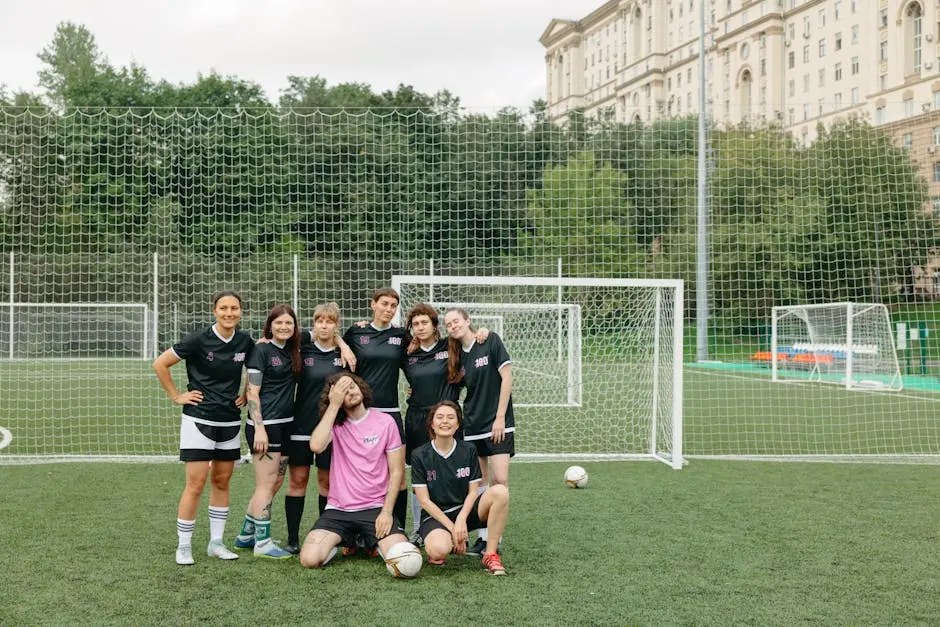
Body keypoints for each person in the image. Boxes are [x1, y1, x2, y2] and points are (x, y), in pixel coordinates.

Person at [152, 290, 254, 565]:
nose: (229, 313)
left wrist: (245, 390)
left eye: (234, 308)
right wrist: (176, 396)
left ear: (240, 312)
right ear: (214, 311)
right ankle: (184, 546)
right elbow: (160, 363)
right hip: (199, 419)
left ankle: (216, 543)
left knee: (221, 481)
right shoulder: (199, 339)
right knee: (195, 484)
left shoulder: (245, 341)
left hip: (230, 420)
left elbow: (257, 366)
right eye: (224, 308)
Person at [298, 373, 409, 570]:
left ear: (361, 387)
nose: (350, 392)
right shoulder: (335, 424)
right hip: (338, 511)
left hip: (375, 508)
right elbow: (316, 445)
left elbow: (397, 471)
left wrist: (387, 512)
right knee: (309, 560)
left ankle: (369, 541)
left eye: (351, 385)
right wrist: (334, 405)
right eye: (342, 390)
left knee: (405, 560)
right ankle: (346, 541)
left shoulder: (386, 422)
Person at [443, 307, 514, 556]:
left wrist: (500, 417)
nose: (453, 326)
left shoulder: (490, 340)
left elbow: (506, 378)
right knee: (480, 482)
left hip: (497, 423)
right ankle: (484, 539)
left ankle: (496, 537)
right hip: (471, 425)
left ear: (467, 320)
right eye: (448, 324)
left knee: (501, 481)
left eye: (456, 321)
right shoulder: (456, 356)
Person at [232, 304, 301, 559]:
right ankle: (262, 543)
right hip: (265, 427)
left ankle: (246, 535)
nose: (284, 327)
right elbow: (253, 392)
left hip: (286, 424)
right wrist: (258, 427)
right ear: (269, 325)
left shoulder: (292, 350)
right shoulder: (261, 349)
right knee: (266, 484)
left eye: (289, 323)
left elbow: (326, 329)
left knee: (277, 481)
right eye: (279, 323)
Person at [411, 401, 508, 575]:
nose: (445, 421)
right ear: (432, 424)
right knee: (438, 550)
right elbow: (424, 501)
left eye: (450, 417)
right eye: (439, 417)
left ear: (457, 425)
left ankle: (490, 554)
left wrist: (461, 520)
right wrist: (452, 528)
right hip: (436, 516)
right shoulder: (419, 454)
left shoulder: (469, 450)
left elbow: (473, 492)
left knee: (500, 491)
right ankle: (444, 542)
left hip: (464, 511)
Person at [342, 288, 410, 532]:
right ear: (373, 304)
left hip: (390, 412)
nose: (388, 309)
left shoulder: (402, 335)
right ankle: (354, 530)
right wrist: (342, 343)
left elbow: (417, 357)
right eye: (384, 304)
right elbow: (332, 340)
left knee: (398, 474)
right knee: (359, 471)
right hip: (360, 413)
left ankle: (398, 527)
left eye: (393, 305)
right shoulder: (356, 331)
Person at [283, 302, 348, 554]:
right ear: (314, 323)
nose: (324, 325)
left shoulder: (345, 356)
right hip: (300, 425)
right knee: (298, 480)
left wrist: (342, 344)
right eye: (319, 320)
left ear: (336, 325)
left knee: (326, 483)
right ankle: (292, 539)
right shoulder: (302, 350)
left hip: (332, 428)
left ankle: (325, 536)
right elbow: (279, 336)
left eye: (329, 321)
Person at [401, 303, 461, 541]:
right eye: (415, 324)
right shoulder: (408, 354)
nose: (420, 327)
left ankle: (455, 524)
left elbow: (469, 338)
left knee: (451, 471)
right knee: (420, 475)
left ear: (435, 325)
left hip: (447, 420)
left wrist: (481, 332)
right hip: (417, 419)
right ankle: (417, 529)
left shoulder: (451, 346)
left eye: (424, 322)